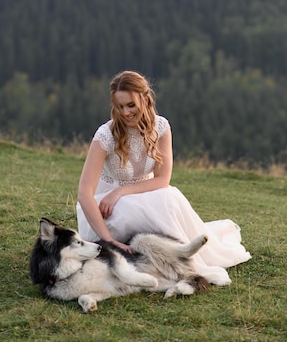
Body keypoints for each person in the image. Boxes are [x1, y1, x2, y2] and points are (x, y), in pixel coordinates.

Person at [77, 70, 251, 285]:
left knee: (170, 196)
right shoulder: (106, 135)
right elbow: (84, 193)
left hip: (142, 196)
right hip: (107, 210)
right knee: (162, 201)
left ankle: (183, 257)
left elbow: (162, 180)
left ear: (145, 98)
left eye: (131, 105)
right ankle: (178, 264)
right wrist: (109, 240)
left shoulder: (161, 127)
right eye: (119, 106)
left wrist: (120, 191)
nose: (125, 112)